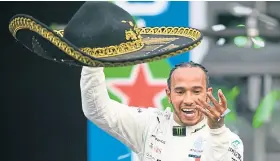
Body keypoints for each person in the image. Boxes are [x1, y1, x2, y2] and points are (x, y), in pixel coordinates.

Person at [80, 61, 244, 161]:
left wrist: (217, 130)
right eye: (180, 92)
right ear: (169, 94)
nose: (188, 100)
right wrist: (93, 64)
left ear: (208, 94)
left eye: (196, 91)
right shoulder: (150, 124)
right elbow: (97, 110)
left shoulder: (230, 141)